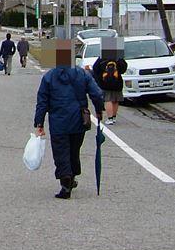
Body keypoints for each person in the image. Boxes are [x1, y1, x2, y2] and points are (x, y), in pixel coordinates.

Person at [33, 39, 105, 199]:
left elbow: (42, 100)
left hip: (58, 121)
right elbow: (96, 93)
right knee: (74, 150)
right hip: (79, 119)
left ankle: (65, 181)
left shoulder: (49, 77)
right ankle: (71, 176)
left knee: (61, 151)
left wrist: (39, 122)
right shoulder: (82, 74)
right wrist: (99, 110)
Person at [92, 38, 128, 125]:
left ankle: (110, 118)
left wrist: (99, 79)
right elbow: (124, 69)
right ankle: (114, 117)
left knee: (108, 100)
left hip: (105, 82)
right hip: (117, 82)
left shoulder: (102, 58)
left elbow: (95, 69)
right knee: (115, 100)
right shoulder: (118, 58)